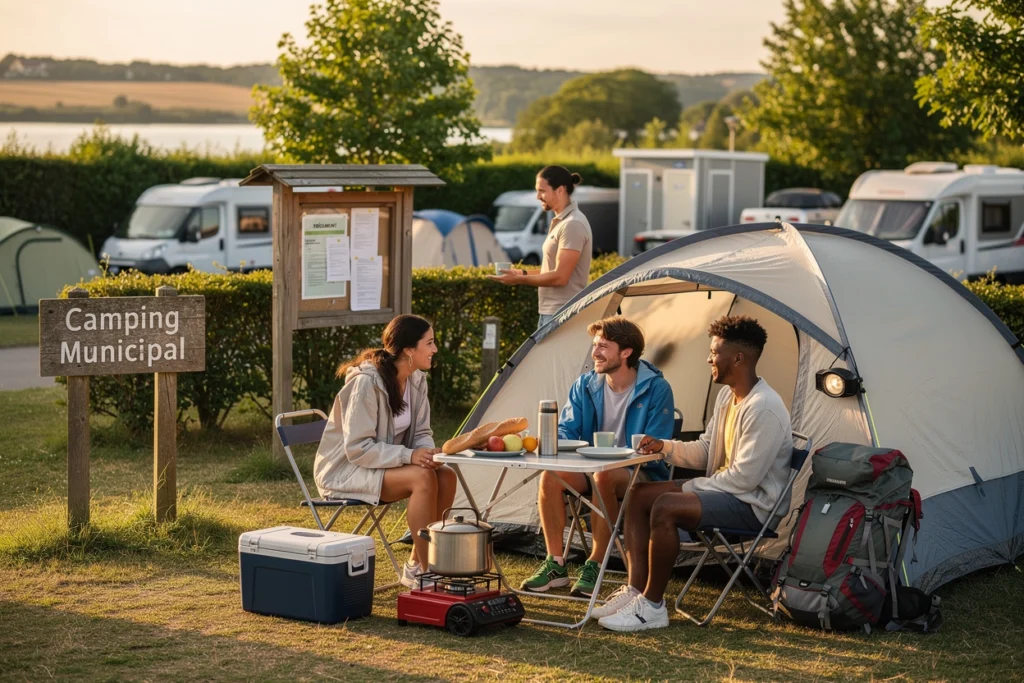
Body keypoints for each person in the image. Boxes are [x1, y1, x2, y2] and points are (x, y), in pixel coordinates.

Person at [595, 315, 794, 632]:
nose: (708, 358)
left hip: (754, 507)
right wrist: (664, 447)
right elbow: (706, 449)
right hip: (728, 493)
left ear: (738, 358)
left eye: (714, 352)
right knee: (639, 495)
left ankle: (653, 607)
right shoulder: (729, 397)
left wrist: (685, 488)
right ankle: (635, 591)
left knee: (665, 505)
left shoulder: (764, 407)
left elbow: (743, 480)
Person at [520, 316, 675, 597]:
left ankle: (596, 563)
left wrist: (631, 452)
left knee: (603, 475)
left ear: (626, 352)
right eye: (594, 345)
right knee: (551, 477)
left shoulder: (656, 389)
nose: (595, 353)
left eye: (603, 346)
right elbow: (568, 428)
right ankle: (555, 564)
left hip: (638, 474)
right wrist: (553, 439)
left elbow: (656, 447)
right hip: (591, 467)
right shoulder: (586, 385)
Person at [313, 314, 457, 590]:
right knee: (422, 479)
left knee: (445, 475)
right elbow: (357, 448)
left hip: (380, 465)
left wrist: (426, 454)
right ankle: (430, 574)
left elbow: (422, 434)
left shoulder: (417, 381)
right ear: (408, 350)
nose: (435, 349)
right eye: (430, 343)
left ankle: (417, 565)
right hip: (345, 471)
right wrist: (409, 457)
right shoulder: (365, 383)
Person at [489, 165, 592, 329]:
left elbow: (560, 277)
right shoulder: (562, 222)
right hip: (553, 312)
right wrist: (521, 273)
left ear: (560, 190)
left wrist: (520, 279)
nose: (537, 196)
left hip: (562, 313)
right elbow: (552, 270)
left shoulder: (572, 224)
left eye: (542, 191)